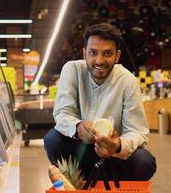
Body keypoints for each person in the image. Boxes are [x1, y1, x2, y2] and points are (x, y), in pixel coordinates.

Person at [44, 23, 156, 181]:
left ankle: (102, 183)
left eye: (107, 53)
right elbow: (62, 113)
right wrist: (78, 127)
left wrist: (117, 145)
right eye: (93, 52)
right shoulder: (72, 70)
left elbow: (138, 131)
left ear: (117, 56)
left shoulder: (127, 81)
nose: (99, 60)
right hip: (79, 153)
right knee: (52, 139)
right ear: (84, 53)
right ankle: (77, 182)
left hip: (111, 157)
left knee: (145, 162)